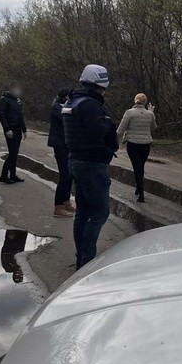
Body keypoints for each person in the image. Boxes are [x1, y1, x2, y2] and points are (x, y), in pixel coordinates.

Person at [62, 64, 118, 270]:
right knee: (100, 212)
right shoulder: (90, 105)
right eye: (103, 88)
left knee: (83, 212)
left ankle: (81, 256)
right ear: (98, 85)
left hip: (76, 161)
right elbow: (100, 134)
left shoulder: (72, 101)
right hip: (92, 164)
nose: (104, 91)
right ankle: (87, 260)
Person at [117, 93, 157, 203]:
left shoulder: (129, 112)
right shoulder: (150, 114)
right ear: (145, 102)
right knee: (140, 166)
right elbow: (154, 128)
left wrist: (111, 138)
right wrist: (151, 112)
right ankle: (138, 189)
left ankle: (141, 194)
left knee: (137, 167)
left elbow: (121, 130)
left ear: (135, 100)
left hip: (133, 144)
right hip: (146, 144)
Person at [48, 88, 74, 218]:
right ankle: (58, 206)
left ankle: (66, 201)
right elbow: (67, 115)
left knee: (69, 175)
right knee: (65, 175)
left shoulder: (62, 105)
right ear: (65, 97)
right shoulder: (56, 107)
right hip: (60, 144)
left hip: (66, 144)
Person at [0, 81, 27, 185]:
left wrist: (24, 129)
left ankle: (13, 175)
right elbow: (2, 115)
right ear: (11, 89)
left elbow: (20, 115)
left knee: (15, 153)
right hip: (11, 129)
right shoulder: (4, 100)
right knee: (12, 153)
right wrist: (6, 129)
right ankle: (4, 175)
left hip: (18, 129)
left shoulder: (17, 100)